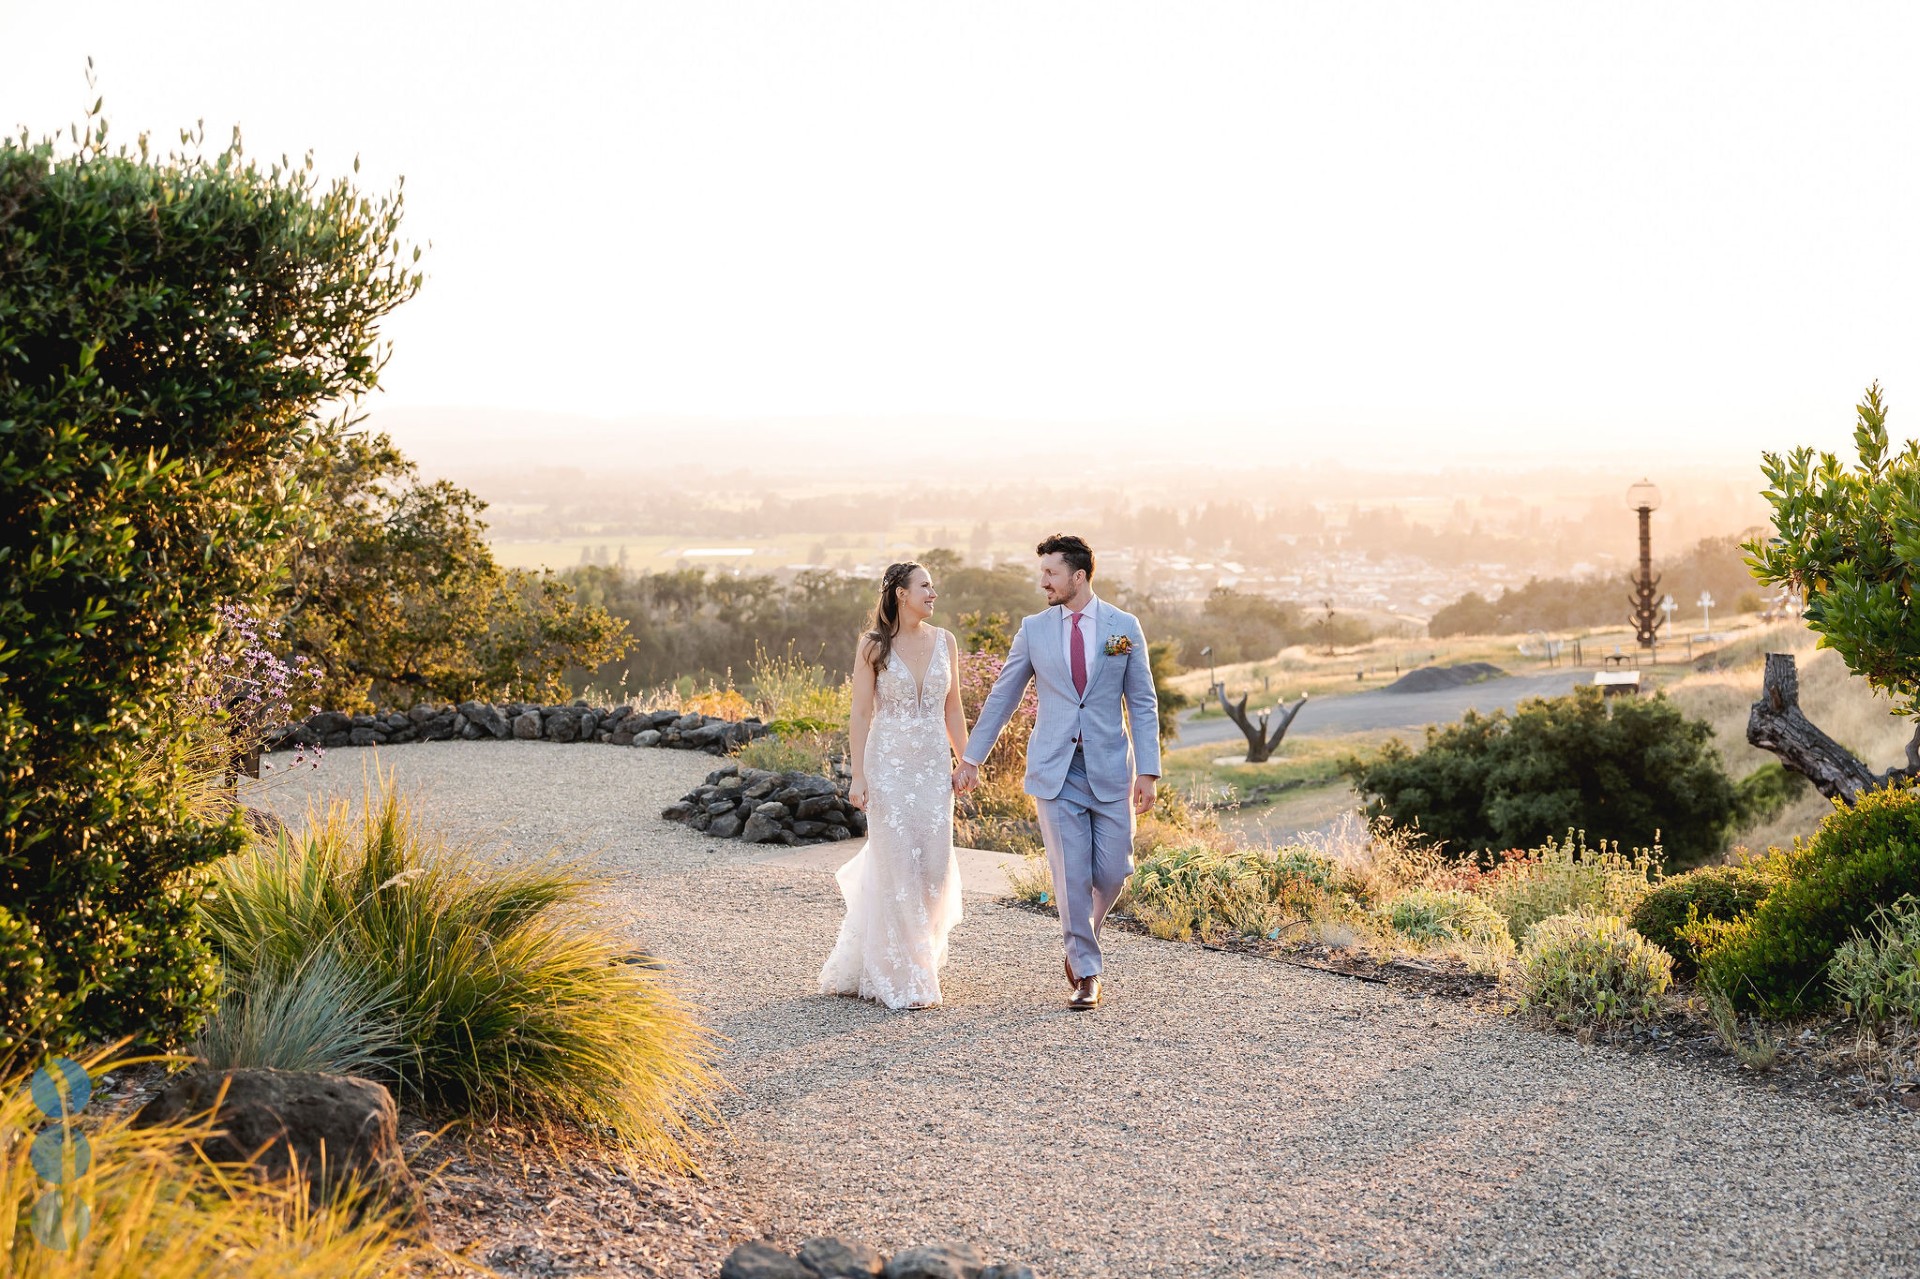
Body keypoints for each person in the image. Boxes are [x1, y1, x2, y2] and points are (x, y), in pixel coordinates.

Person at [955, 534, 1159, 1011]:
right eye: (1042, 572)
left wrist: (1148, 770)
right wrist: (972, 758)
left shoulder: (1123, 627)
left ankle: (1080, 933)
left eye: (1051, 573)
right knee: (1069, 873)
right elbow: (1004, 695)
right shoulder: (1034, 629)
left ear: (1079, 576)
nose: (1042, 581)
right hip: (1056, 769)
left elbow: (1143, 702)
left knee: (1111, 874)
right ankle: (1086, 972)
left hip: (1110, 767)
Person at [818, 562, 969, 1010]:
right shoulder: (873, 646)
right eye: (925, 586)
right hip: (889, 768)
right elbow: (861, 714)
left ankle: (919, 954)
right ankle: (902, 972)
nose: (933, 593)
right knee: (897, 866)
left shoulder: (946, 642)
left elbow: (954, 710)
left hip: (931, 770)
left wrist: (967, 760)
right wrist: (859, 775)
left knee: (933, 869)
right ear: (901, 594)